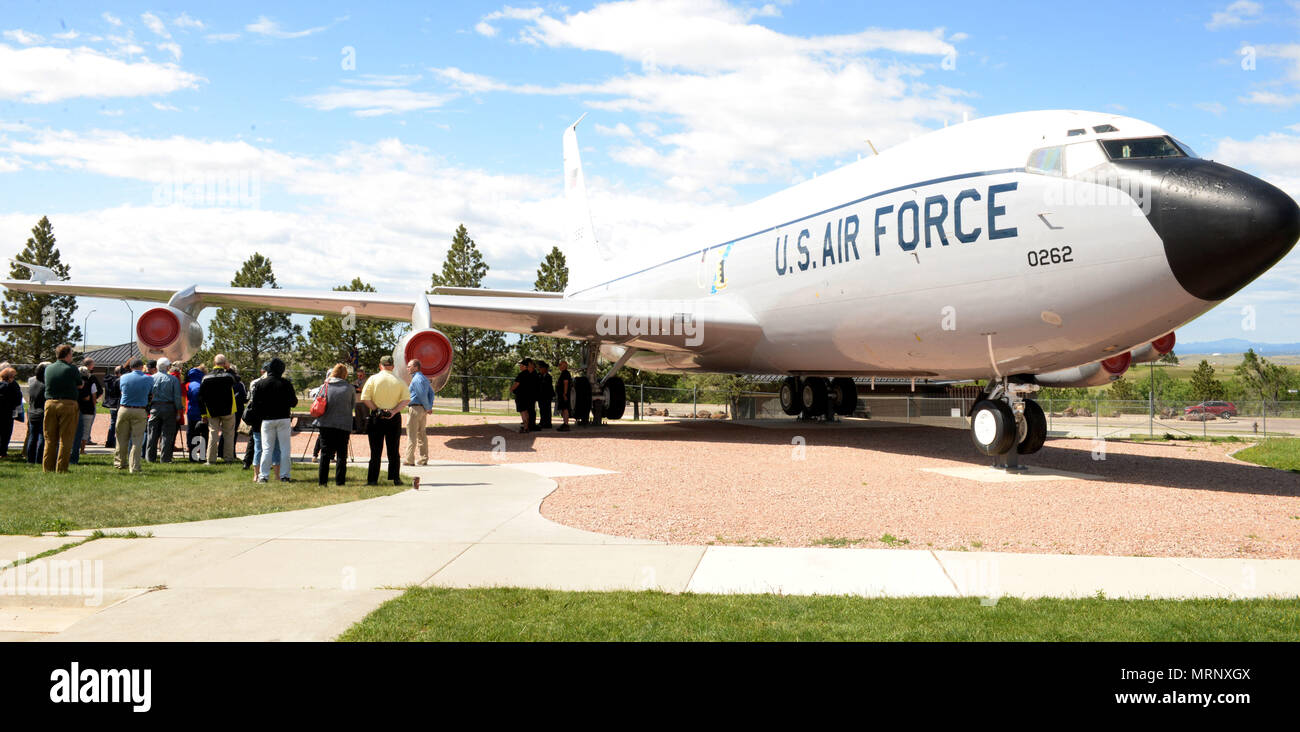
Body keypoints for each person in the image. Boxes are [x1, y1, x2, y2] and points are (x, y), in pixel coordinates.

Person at [360, 355, 407, 486]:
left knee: (375, 451)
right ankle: (395, 478)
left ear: (380, 365)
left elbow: (365, 398)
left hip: (377, 417)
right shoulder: (399, 380)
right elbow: (406, 399)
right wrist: (394, 411)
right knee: (393, 450)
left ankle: (372, 480)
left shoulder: (373, 379)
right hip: (394, 417)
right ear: (392, 366)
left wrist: (376, 409)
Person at [250, 357, 297, 483]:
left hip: (267, 419)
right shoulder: (286, 383)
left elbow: (255, 405)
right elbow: (294, 402)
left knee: (266, 448)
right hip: (283, 418)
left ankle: (263, 476)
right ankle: (285, 475)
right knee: (285, 448)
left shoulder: (260, 384)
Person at [41, 344, 82, 472]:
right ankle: (62, 468)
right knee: (66, 438)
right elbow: (80, 385)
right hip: (68, 404)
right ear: (68, 355)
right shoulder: (72, 369)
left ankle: (47, 467)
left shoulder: (48, 368)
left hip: (50, 403)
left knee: (50, 438)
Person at [317, 363, 356, 486]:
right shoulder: (350, 388)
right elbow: (352, 405)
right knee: (341, 454)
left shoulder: (325, 386)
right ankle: (340, 481)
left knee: (325, 454)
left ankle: (322, 481)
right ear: (345, 374)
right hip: (343, 424)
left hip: (325, 423)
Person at [113, 358, 151, 473]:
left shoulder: (123, 377)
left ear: (130, 367)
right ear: (141, 366)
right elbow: (151, 393)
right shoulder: (148, 379)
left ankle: (120, 462)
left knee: (121, 437)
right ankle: (134, 466)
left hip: (124, 408)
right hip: (140, 410)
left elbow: (120, 390)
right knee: (137, 439)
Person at [199, 355, 238, 464]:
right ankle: (228, 459)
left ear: (213, 362)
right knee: (229, 435)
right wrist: (229, 368)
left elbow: (201, 397)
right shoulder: (228, 376)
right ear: (225, 363)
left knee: (213, 435)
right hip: (228, 409)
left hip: (212, 410)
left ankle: (211, 460)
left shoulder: (206, 378)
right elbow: (237, 379)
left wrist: (203, 414)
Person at [146, 356, 183, 462]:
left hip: (154, 407)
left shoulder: (151, 378)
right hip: (169, 408)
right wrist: (179, 411)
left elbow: (148, 394)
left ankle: (150, 458)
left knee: (152, 434)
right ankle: (165, 458)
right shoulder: (173, 379)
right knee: (167, 434)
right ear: (167, 367)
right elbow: (177, 397)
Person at [404, 359, 434, 466]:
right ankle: (423, 459)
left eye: (409, 366)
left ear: (415, 367)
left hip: (415, 409)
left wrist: (428, 407)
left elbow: (421, 395)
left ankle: (409, 459)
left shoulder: (416, 379)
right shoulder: (424, 379)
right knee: (422, 434)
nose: (407, 368)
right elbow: (431, 393)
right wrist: (428, 407)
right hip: (422, 410)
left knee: (412, 434)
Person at [71, 365, 97, 464]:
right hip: (88, 409)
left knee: (74, 430)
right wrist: (93, 406)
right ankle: (82, 450)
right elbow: (93, 398)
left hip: (76, 408)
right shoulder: (91, 383)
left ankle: (73, 448)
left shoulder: (74, 383)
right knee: (85, 431)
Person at [24, 362, 48, 463]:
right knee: (42, 437)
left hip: (32, 412)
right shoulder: (45, 385)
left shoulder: (32, 383)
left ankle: (30, 459)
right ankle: (39, 459)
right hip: (42, 413)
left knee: (32, 437)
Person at [184, 366, 206, 461]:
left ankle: (192, 456)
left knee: (192, 432)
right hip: (200, 411)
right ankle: (201, 456)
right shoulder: (200, 384)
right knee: (202, 433)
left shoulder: (190, 384)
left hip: (191, 411)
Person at [0, 367, 19, 457]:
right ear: (10, 377)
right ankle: (3, 452)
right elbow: (17, 399)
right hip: (7, 413)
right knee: (6, 434)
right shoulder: (10, 387)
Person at [511, 359, 532, 433]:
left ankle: (525, 428)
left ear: (525, 366)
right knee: (526, 411)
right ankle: (527, 427)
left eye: (521, 365)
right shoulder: (529, 374)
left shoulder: (521, 374)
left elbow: (516, 384)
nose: (520, 366)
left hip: (521, 396)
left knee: (523, 412)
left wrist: (511, 389)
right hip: (528, 396)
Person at [103, 365, 121, 449]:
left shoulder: (109, 380)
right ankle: (114, 441)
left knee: (113, 423)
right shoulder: (117, 381)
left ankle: (109, 441)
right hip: (117, 404)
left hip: (111, 404)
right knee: (118, 424)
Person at [535, 361, 554, 430]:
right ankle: (542, 421)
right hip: (540, 396)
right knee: (542, 409)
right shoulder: (538, 375)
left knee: (547, 409)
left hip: (547, 396)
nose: (540, 370)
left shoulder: (548, 377)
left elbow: (547, 386)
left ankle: (548, 423)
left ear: (545, 369)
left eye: (540, 368)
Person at [555, 360, 573, 432]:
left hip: (564, 395)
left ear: (565, 366)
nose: (559, 366)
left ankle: (566, 424)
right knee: (564, 409)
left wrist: (565, 394)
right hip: (562, 395)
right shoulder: (563, 373)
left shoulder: (565, 373)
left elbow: (566, 383)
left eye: (561, 365)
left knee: (565, 409)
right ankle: (565, 424)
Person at [353, 367, 370, 434]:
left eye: (360, 375)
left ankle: (366, 429)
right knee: (358, 417)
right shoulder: (355, 381)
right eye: (358, 375)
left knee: (366, 416)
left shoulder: (367, 381)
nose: (359, 377)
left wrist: (359, 389)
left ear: (364, 375)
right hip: (357, 401)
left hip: (364, 401)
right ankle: (359, 430)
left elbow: (365, 390)